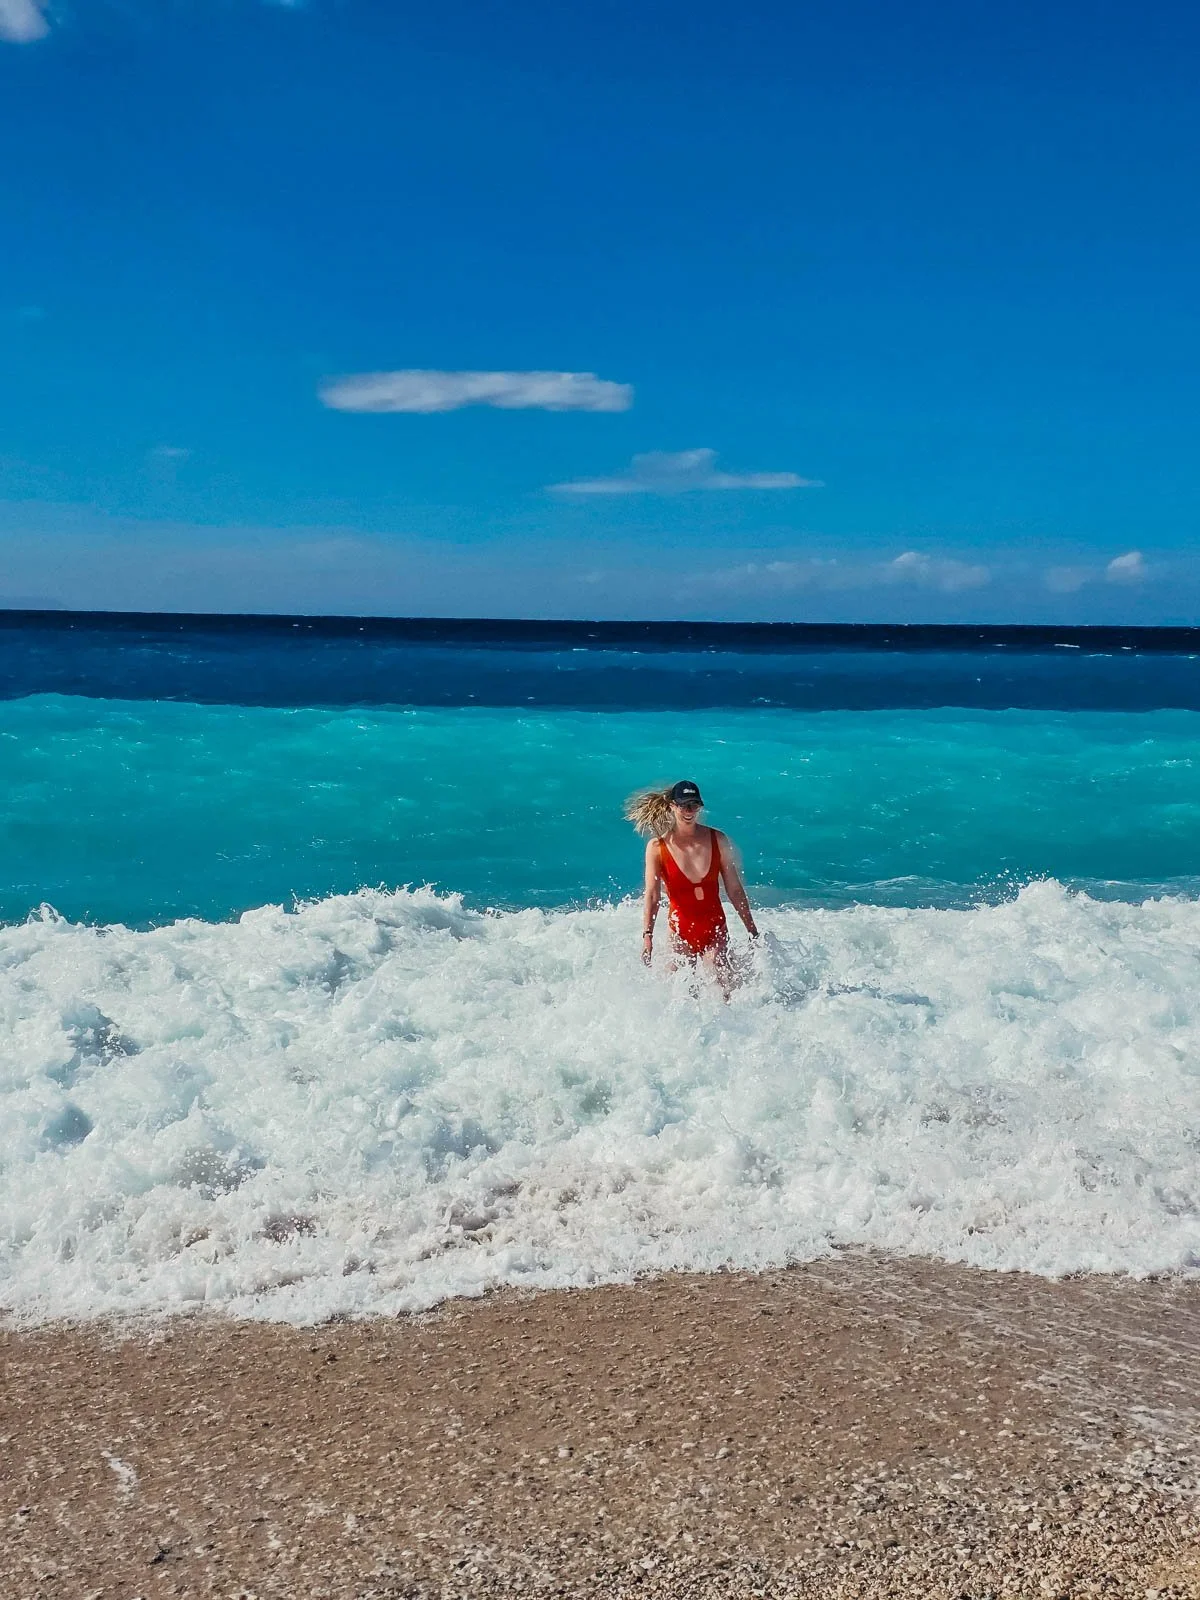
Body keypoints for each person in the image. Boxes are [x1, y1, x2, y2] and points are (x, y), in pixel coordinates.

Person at [625, 779, 758, 990]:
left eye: (694, 805)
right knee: (680, 994)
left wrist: (752, 930)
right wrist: (647, 937)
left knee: (722, 988)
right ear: (672, 806)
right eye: (684, 805)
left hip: (715, 929)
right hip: (680, 932)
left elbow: (734, 889)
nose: (689, 811)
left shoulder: (717, 839)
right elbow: (652, 895)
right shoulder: (657, 847)